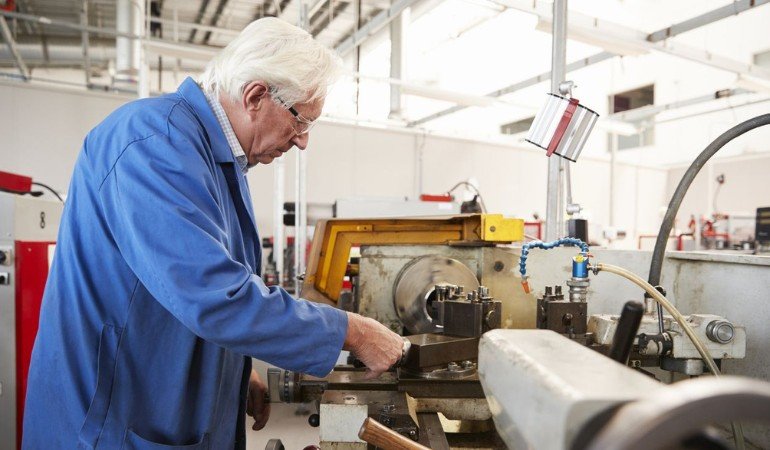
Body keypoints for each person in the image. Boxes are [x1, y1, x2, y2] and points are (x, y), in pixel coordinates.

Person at [23, 17, 404, 450]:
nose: (302, 142)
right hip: (111, 422)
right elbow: (213, 296)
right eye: (301, 122)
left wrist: (233, 371)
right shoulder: (152, 143)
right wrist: (352, 332)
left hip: (156, 404)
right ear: (256, 96)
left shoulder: (208, 156)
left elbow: (185, 287)